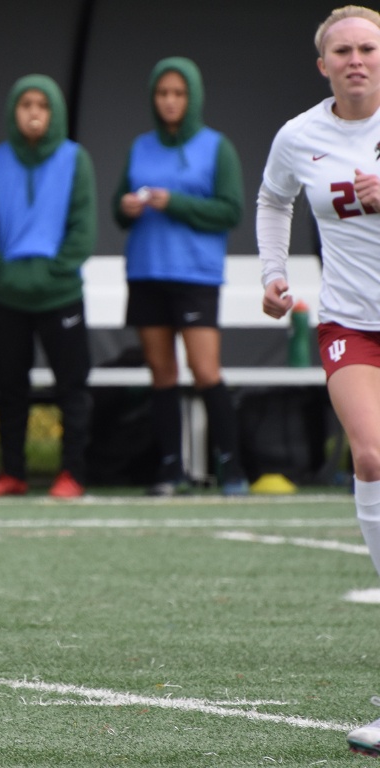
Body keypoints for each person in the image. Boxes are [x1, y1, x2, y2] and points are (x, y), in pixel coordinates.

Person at [256, 6, 380, 756]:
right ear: (323, 63)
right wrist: (275, 276)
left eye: (369, 48)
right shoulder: (299, 137)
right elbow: (273, 200)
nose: (358, 59)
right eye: (345, 50)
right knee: (370, 456)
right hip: (350, 324)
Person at [112, 56, 248, 497]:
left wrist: (175, 202)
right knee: (161, 372)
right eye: (162, 93)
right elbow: (118, 208)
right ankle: (170, 468)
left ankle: (232, 466)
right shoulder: (140, 146)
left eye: (178, 93)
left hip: (195, 274)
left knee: (205, 369)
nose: (170, 101)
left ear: (192, 98)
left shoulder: (217, 147)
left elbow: (230, 210)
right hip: (146, 269)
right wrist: (128, 207)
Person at [0, 75, 96, 499]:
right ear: (13, 112)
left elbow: (82, 231)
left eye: (42, 104)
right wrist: (0, 270)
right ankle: (13, 473)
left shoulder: (74, 159)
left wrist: (53, 273)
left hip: (60, 294)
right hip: (6, 294)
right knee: (10, 389)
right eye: (25, 104)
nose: (34, 112)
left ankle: (74, 473)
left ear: (55, 111)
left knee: (71, 387)